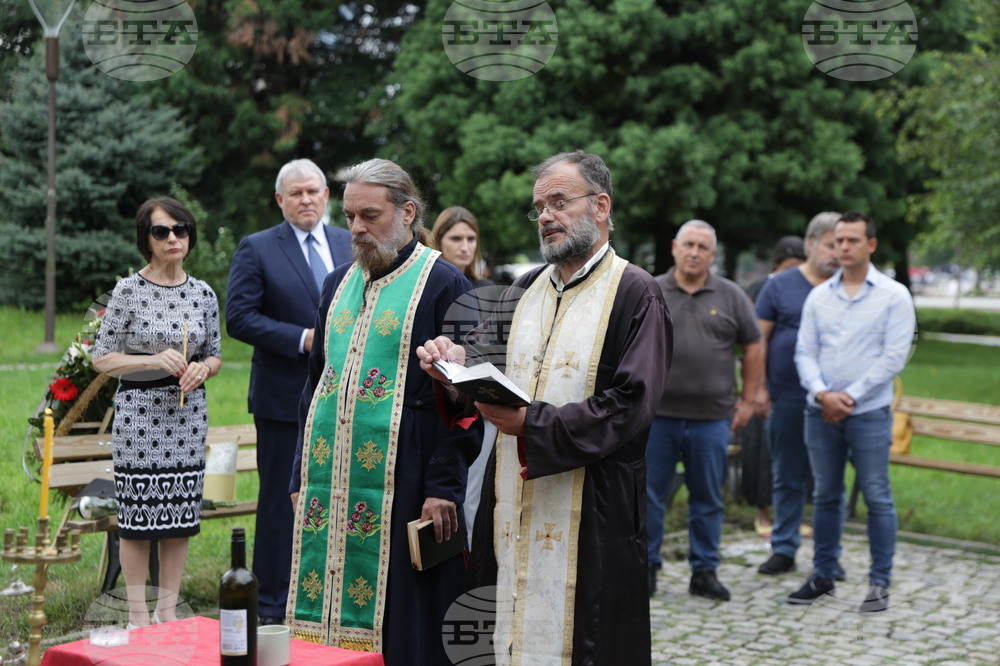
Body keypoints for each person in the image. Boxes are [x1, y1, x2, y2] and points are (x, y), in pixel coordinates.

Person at [418, 150, 671, 665]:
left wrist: (531, 424)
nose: (546, 217)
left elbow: (631, 404)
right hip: (511, 495)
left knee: (587, 640)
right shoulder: (525, 288)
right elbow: (480, 367)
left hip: (594, 506)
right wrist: (450, 369)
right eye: (539, 207)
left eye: (559, 202)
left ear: (600, 206)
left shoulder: (636, 291)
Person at [285, 158, 482, 664]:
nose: (356, 228)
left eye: (369, 215)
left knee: (407, 619)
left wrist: (444, 487)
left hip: (411, 481)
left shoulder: (445, 284)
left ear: (408, 211)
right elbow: (315, 386)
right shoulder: (336, 285)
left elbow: (469, 402)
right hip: (331, 486)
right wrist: (299, 476)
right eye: (349, 216)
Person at [225, 158, 352, 624]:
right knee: (282, 499)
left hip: (343, 396)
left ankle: (329, 593)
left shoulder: (347, 241)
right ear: (280, 200)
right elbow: (239, 317)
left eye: (314, 191)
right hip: (283, 399)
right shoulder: (257, 248)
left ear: (326, 195)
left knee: (337, 492)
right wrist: (301, 339)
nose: (306, 200)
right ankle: (274, 605)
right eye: (295, 193)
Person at [92, 197, 222, 628]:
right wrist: (150, 360)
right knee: (137, 518)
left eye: (180, 229)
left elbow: (215, 355)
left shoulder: (203, 293)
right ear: (145, 239)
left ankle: (168, 609)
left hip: (187, 419)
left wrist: (203, 368)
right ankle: (136, 616)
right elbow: (101, 359)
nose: (173, 238)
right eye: (161, 231)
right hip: (139, 418)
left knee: (179, 516)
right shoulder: (127, 291)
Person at [789, 211, 916, 612]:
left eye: (852, 240)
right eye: (838, 240)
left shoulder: (894, 295)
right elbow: (805, 352)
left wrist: (849, 398)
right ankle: (823, 574)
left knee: (877, 495)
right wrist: (824, 394)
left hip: (869, 414)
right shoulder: (819, 296)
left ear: (871, 245)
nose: (843, 247)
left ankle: (880, 584)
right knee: (826, 494)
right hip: (821, 411)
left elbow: (894, 356)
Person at [646, 220, 763, 601]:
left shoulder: (731, 295)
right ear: (675, 247)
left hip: (713, 418)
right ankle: (645, 567)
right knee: (648, 496)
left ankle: (704, 571)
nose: (695, 252)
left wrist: (748, 400)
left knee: (708, 498)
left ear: (713, 255)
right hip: (656, 416)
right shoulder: (650, 290)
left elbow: (754, 346)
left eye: (703, 247)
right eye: (689, 244)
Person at [755, 214, 844, 576]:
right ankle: (785, 547)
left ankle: (828, 555)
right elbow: (758, 340)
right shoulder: (780, 286)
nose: (837, 252)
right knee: (787, 475)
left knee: (830, 480)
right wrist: (758, 388)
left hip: (834, 401)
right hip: (788, 396)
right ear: (810, 244)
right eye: (829, 244)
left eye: (842, 244)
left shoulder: (847, 287)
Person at [740, 236, 807, 539]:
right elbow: (752, 335)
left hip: (795, 385)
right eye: (789, 266)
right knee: (762, 451)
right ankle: (763, 512)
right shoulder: (760, 288)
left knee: (797, 454)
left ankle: (794, 513)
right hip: (763, 382)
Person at [430, 206, 494, 287]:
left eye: (471, 239)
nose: (465, 248)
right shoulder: (423, 287)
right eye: (456, 239)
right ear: (438, 242)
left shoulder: (485, 289)